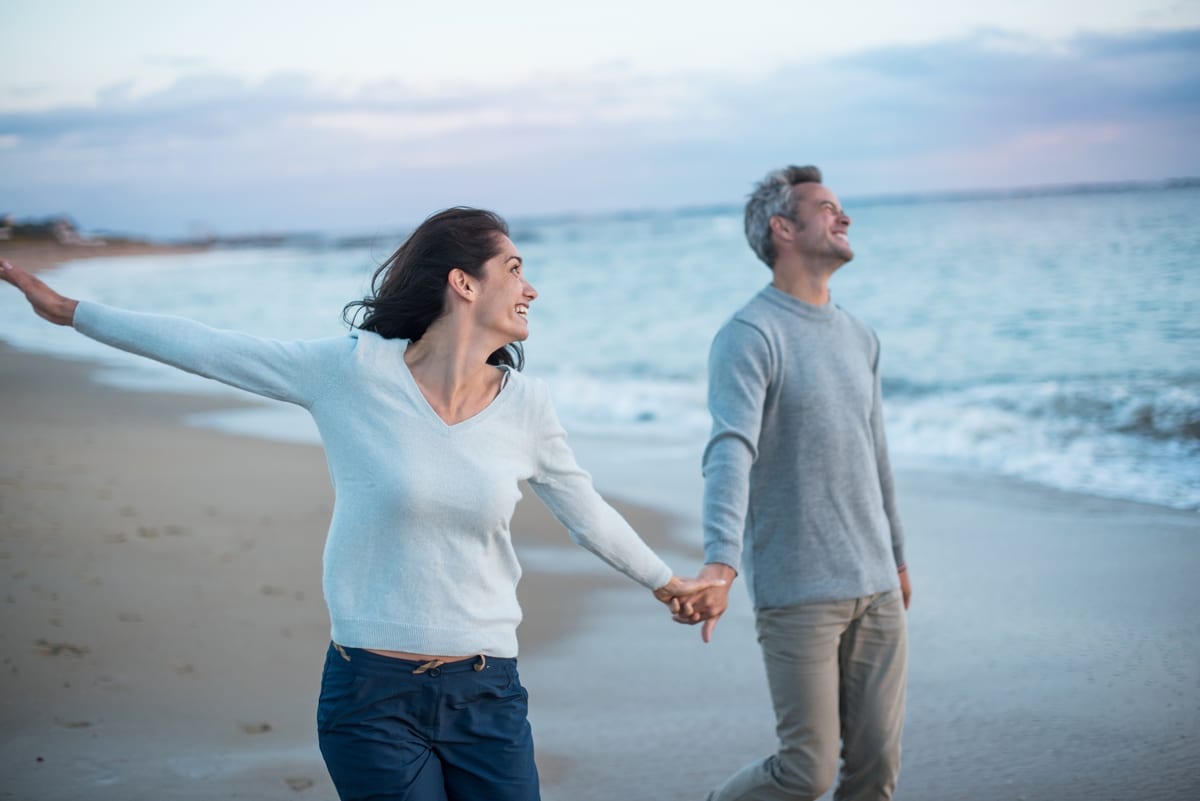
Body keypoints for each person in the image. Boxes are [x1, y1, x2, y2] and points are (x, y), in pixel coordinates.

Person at [0, 207, 721, 801]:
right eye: (515, 269)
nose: (532, 288)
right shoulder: (349, 371)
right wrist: (71, 312)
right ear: (463, 284)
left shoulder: (528, 406)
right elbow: (211, 347)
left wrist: (666, 582)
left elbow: (585, 509)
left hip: (487, 693)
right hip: (371, 695)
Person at [675, 166, 912, 801]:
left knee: (875, 772)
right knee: (804, 774)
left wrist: (898, 556)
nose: (845, 217)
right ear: (784, 229)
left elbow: (876, 453)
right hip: (800, 590)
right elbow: (730, 449)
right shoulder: (750, 334)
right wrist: (720, 562)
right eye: (827, 208)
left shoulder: (861, 336)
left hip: (878, 587)